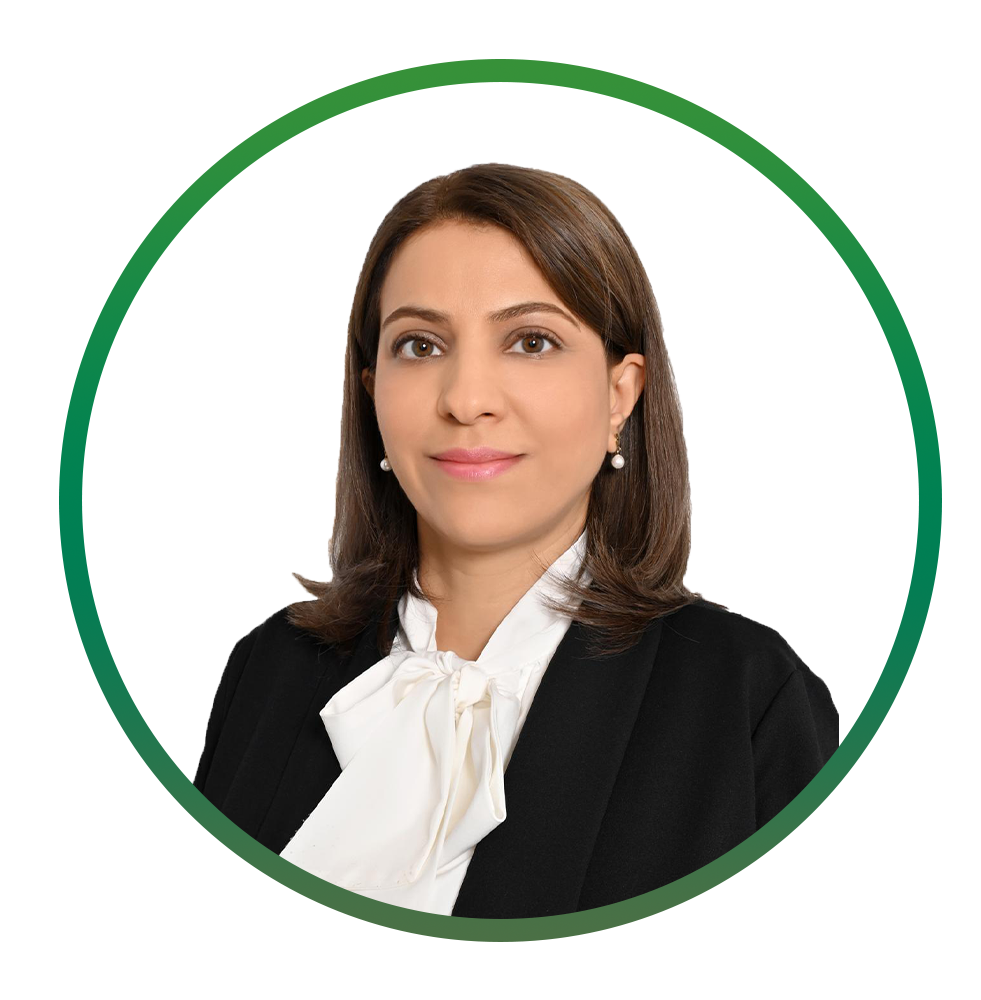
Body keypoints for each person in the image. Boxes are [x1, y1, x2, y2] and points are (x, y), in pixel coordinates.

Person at [161, 163, 839, 942]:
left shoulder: (746, 698)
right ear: (372, 390)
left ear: (620, 394)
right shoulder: (271, 668)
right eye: (420, 345)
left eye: (531, 341)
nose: (466, 398)